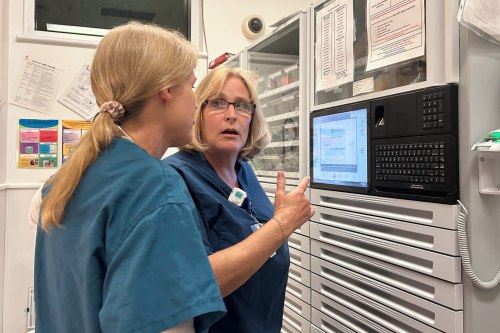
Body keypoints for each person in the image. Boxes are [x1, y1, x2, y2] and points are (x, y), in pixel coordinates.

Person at [35, 22, 225, 333]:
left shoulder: (66, 181)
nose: (196, 102)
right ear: (166, 90)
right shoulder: (154, 187)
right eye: (191, 86)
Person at [165, 66, 314, 333]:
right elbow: (200, 281)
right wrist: (281, 225)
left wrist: (277, 224)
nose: (232, 115)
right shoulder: (175, 178)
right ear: (198, 112)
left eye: (242, 106)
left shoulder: (243, 170)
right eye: (219, 103)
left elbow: (256, 233)